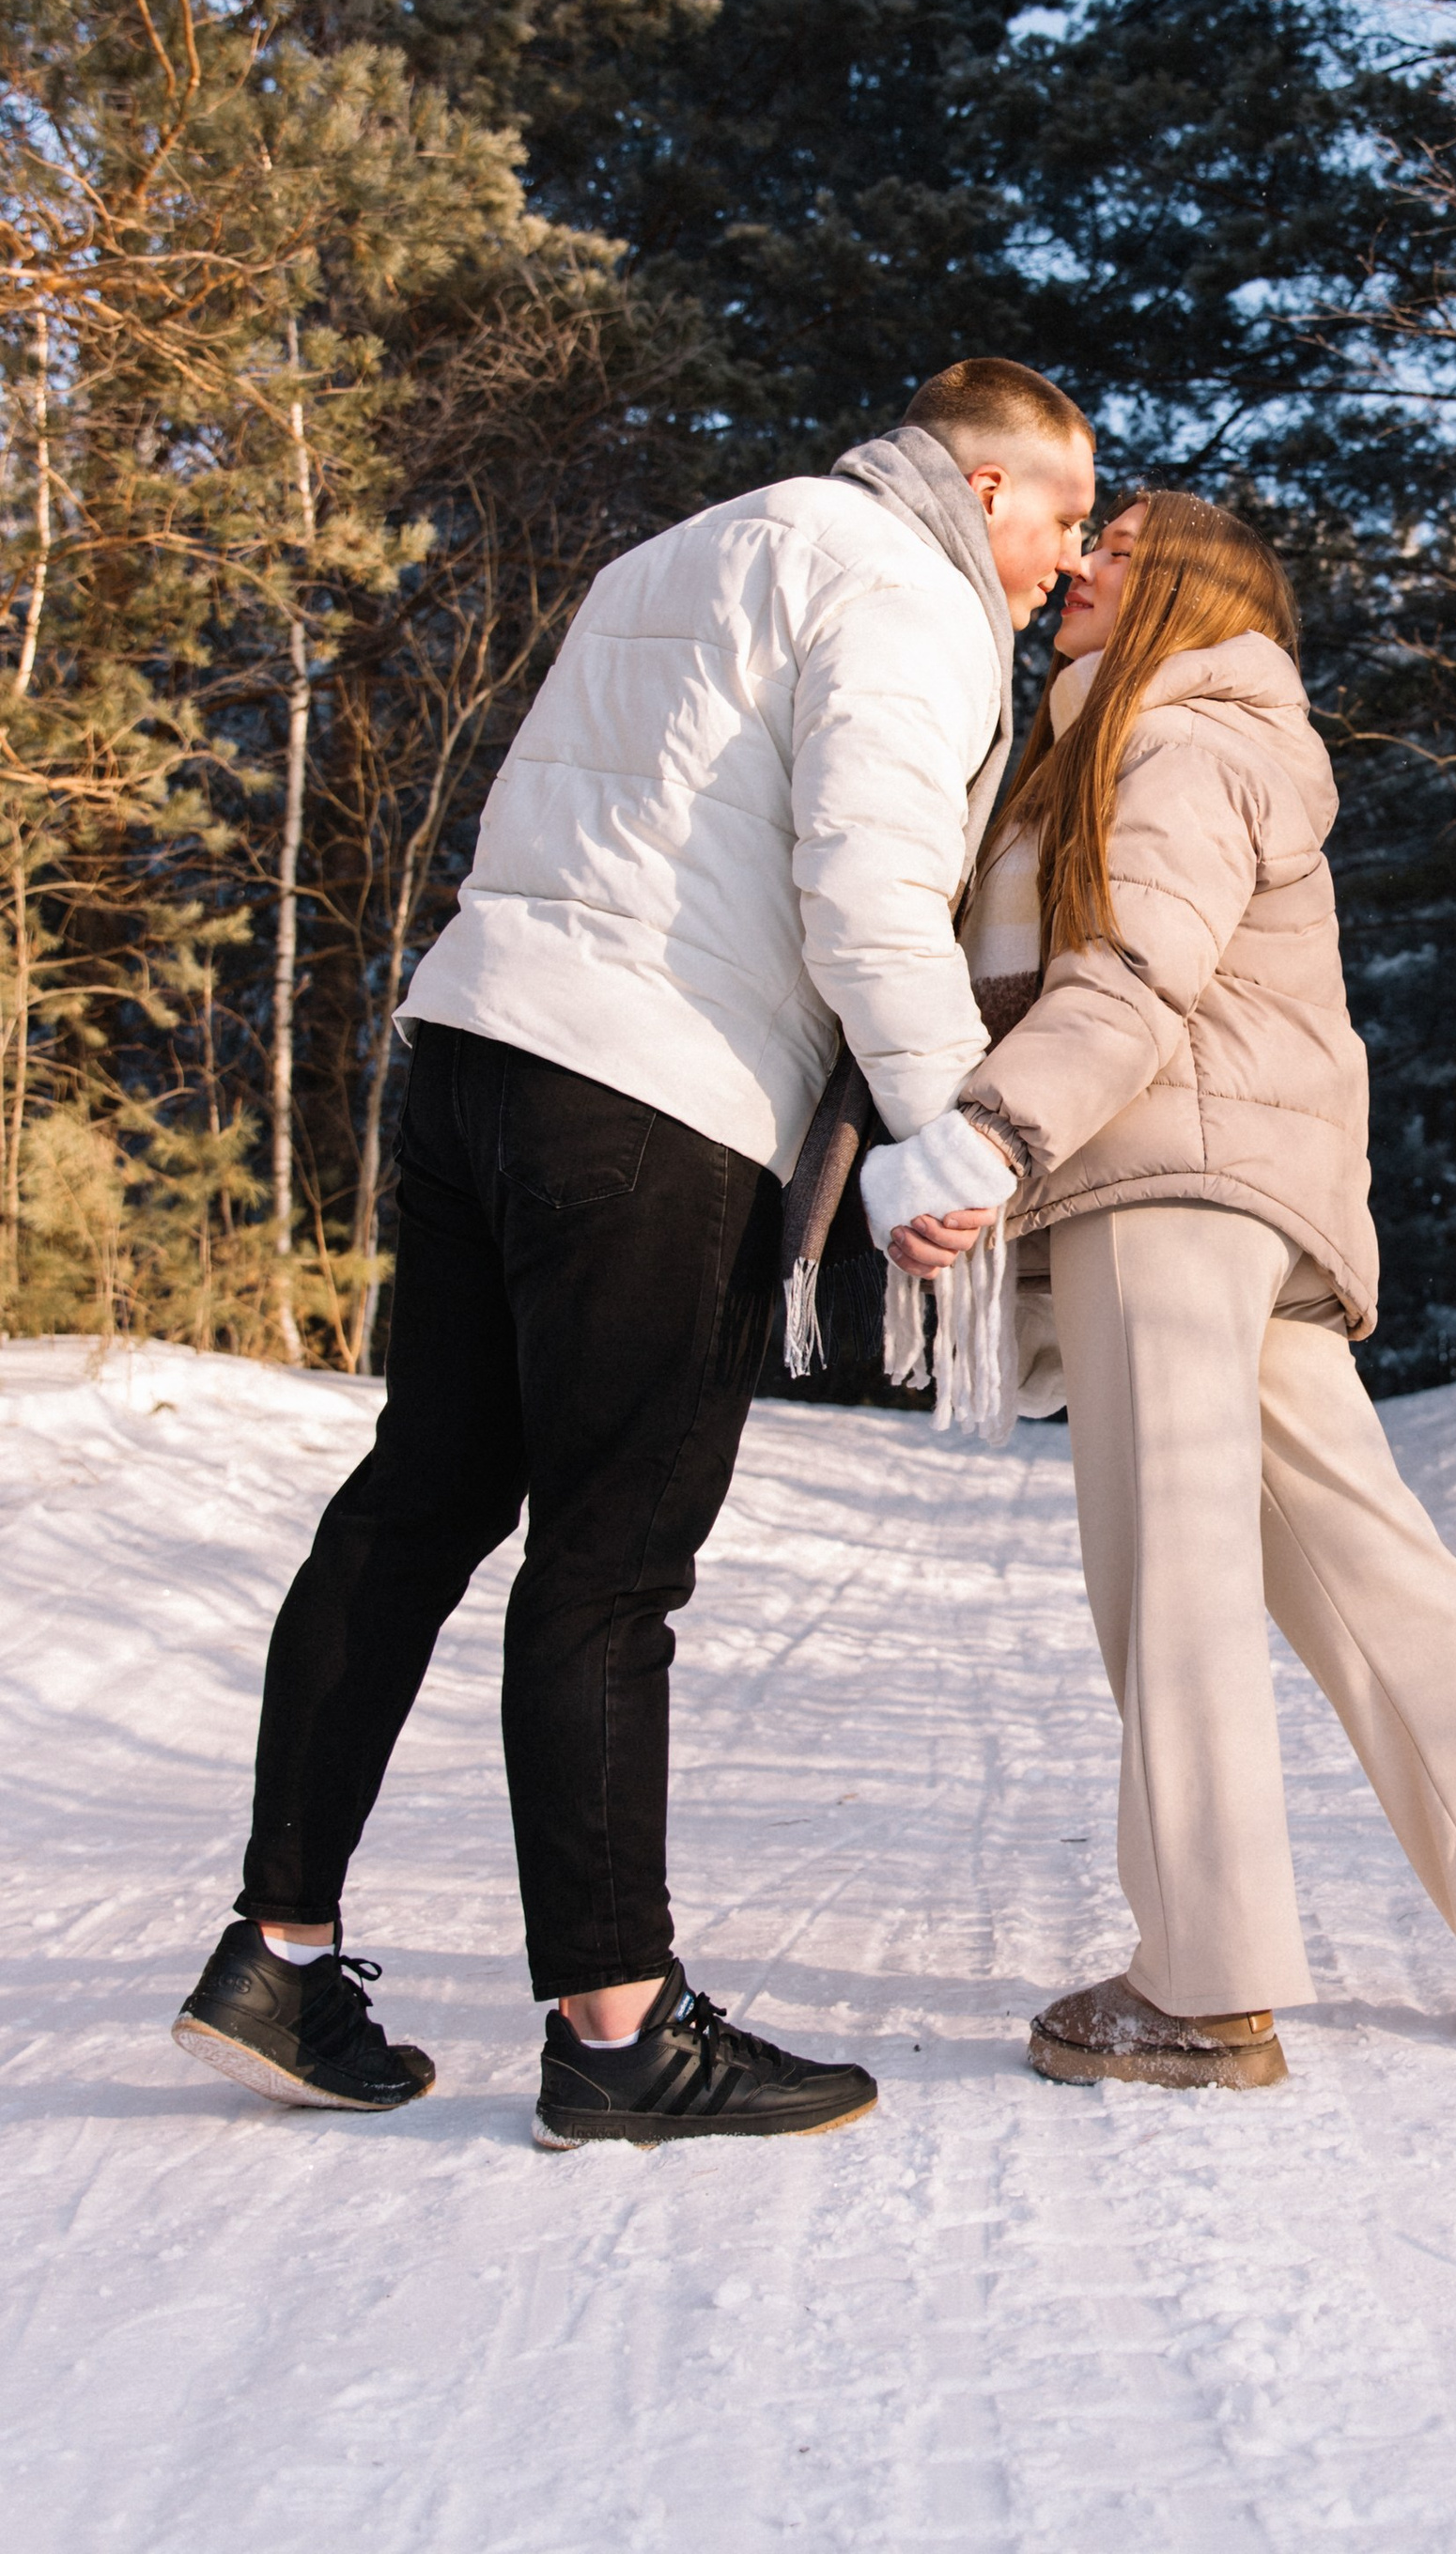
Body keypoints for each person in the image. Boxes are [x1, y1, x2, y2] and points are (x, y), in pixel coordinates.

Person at [172, 360, 1095, 2148]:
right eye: (1061, 516)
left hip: (471, 1054)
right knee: (610, 1563)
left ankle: (278, 1953)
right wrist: (936, 1121)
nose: (1065, 559)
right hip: (652, 1098)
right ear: (986, 491)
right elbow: (866, 881)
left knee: (418, 1497)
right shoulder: (908, 590)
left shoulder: (691, 545)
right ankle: (615, 2033)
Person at [864, 491, 1456, 2091]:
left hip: (1164, 1184)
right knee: (1354, 1553)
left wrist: (990, 1140)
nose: (1083, 564)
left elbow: (1136, 976)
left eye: (1119, 544)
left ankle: (1201, 1976)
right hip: (1242, 1194)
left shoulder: (1175, 740)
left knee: (1167, 1574)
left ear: (1186, 586)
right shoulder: (1169, 735)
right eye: (1084, 539)